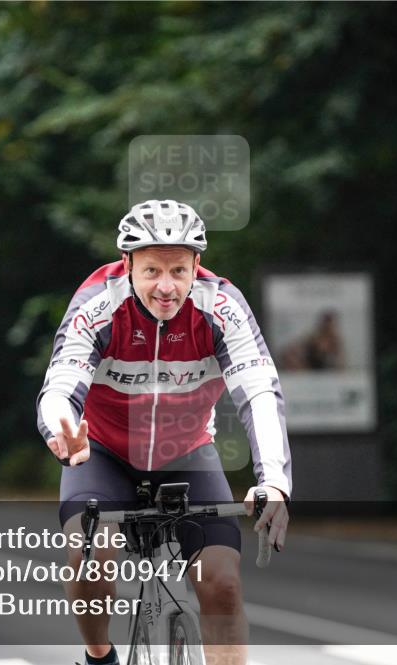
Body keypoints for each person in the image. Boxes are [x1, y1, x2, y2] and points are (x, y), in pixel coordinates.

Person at [37, 199, 292, 665]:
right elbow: (60, 385)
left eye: (178, 270)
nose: (167, 287)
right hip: (102, 453)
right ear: (127, 263)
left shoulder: (221, 306)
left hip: (187, 453)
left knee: (222, 582)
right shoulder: (98, 304)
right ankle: (99, 656)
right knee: (91, 555)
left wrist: (273, 481)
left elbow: (259, 392)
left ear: (197, 265)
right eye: (152, 270)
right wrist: (63, 431)